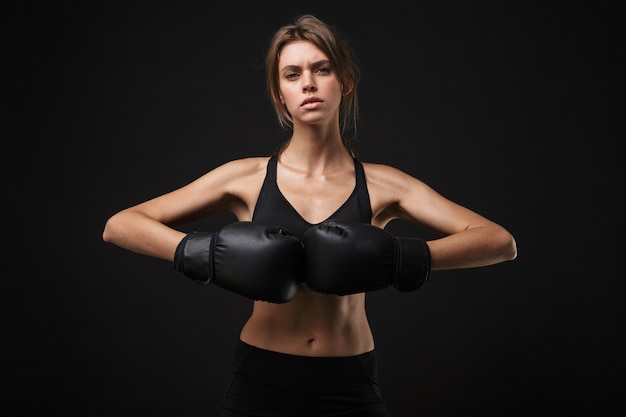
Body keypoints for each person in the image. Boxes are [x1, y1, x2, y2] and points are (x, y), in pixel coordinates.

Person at [102, 14, 517, 417]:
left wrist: (402, 260)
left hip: (349, 383)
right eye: (292, 74)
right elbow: (119, 226)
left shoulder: (386, 186)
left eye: (322, 69)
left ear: (345, 81)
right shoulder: (244, 178)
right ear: (279, 93)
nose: (309, 84)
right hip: (260, 380)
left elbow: (499, 242)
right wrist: (206, 253)